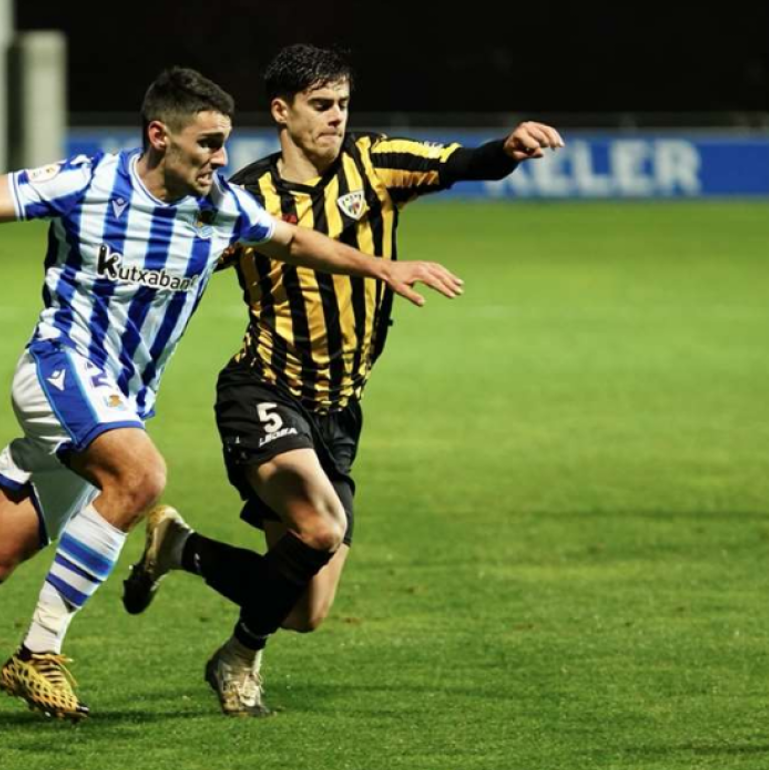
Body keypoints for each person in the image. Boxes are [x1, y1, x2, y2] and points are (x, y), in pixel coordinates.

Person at [0, 66, 464, 721]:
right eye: (207, 144)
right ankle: (37, 653)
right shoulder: (87, 183)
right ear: (159, 135)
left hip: (112, 408)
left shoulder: (220, 208)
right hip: (59, 370)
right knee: (142, 475)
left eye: (224, 143)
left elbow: (297, 242)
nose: (221, 159)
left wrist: (380, 268)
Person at [121, 45, 564, 717]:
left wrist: (508, 146)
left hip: (339, 414)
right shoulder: (245, 199)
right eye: (321, 106)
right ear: (282, 111)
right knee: (321, 526)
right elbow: (176, 268)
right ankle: (236, 660)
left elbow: (463, 163)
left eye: (343, 104)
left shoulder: (377, 164)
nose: (337, 117)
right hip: (262, 393)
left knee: (304, 609)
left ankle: (181, 547)